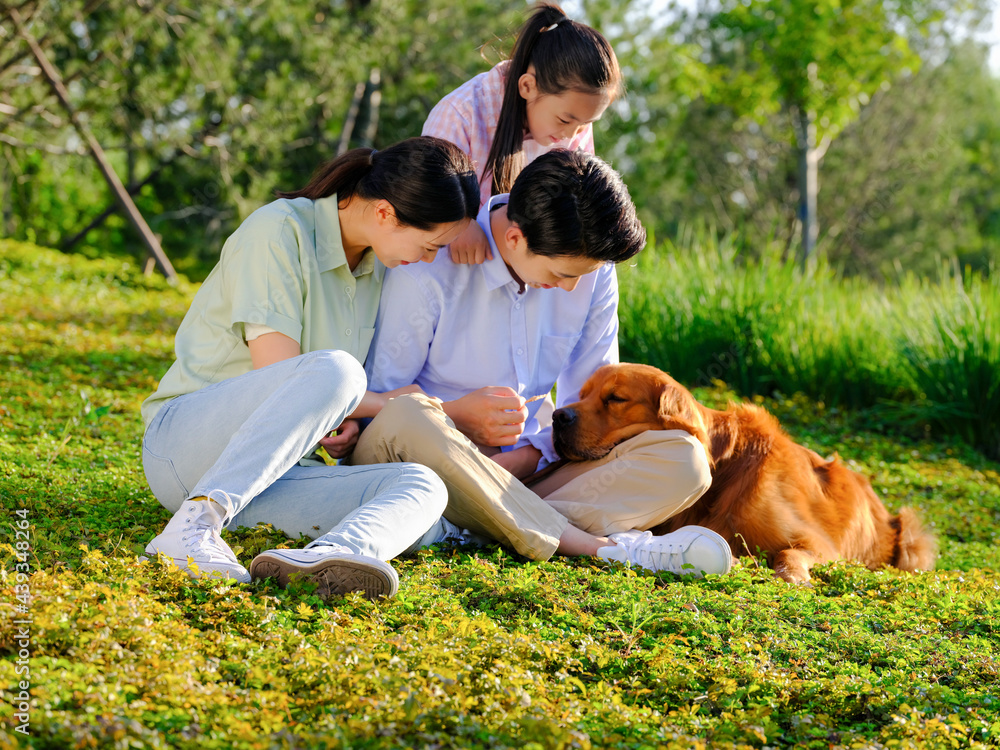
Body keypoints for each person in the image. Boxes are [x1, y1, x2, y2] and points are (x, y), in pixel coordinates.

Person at [349, 150, 733, 578]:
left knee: (685, 460)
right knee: (408, 417)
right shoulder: (428, 260)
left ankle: (470, 528)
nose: (570, 289)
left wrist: (533, 452)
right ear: (514, 239)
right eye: (559, 274)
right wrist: (457, 421)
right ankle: (586, 544)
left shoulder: (592, 271)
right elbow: (382, 402)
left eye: (581, 276)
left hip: (534, 475)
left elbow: (590, 397)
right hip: (426, 463)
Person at [140, 136, 480, 599]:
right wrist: (377, 402)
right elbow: (282, 373)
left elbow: (309, 400)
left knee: (422, 486)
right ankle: (194, 525)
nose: (429, 259)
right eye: (430, 245)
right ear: (385, 213)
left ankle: (327, 556)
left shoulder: (374, 268)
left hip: (270, 473)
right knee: (339, 373)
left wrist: (333, 420)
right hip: (182, 448)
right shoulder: (278, 231)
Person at [422, 2, 620, 264]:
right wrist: (456, 223)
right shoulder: (461, 114)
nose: (571, 137)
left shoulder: (575, 119)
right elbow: (423, 194)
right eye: (564, 120)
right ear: (528, 86)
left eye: (584, 125)